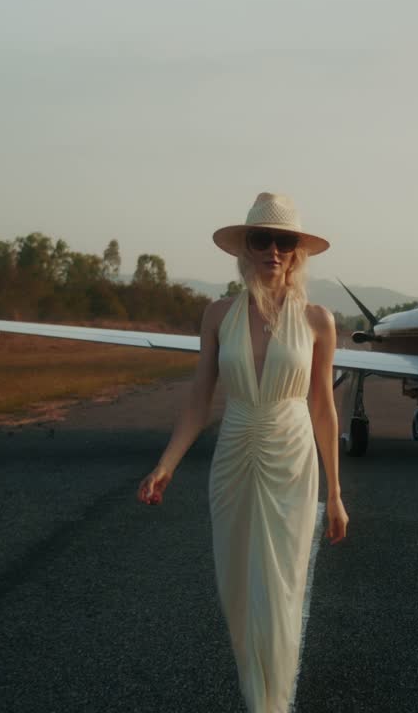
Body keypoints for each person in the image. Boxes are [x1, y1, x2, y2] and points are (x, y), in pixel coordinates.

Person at [137, 192, 349, 712]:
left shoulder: (319, 320)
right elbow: (197, 402)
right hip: (233, 454)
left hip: (293, 457)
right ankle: (256, 693)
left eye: (285, 241)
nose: (273, 250)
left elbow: (324, 409)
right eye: (263, 239)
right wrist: (166, 465)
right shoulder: (217, 316)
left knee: (280, 588)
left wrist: (337, 495)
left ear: (297, 251)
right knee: (236, 588)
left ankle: (270, 704)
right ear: (246, 247)